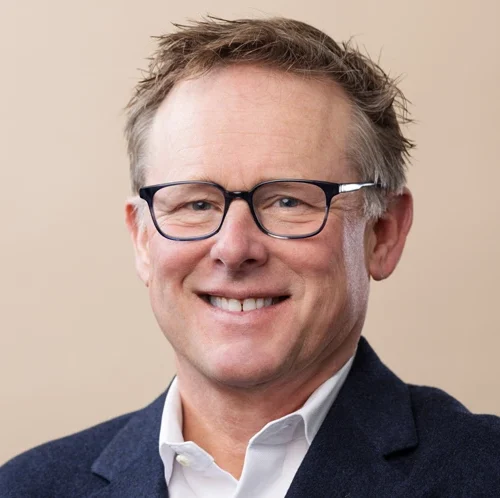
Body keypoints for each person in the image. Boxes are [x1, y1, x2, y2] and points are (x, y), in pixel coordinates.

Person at [1, 16, 499, 498]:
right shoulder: (26, 488)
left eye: (288, 201)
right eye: (197, 204)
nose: (235, 249)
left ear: (383, 233)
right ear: (142, 240)